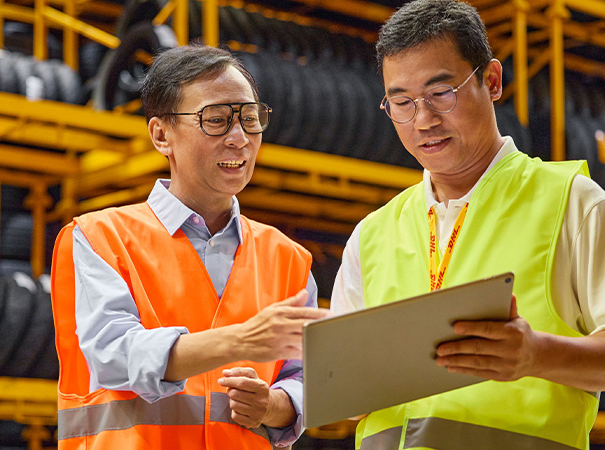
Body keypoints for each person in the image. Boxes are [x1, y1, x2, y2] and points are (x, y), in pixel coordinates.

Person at [331, 0, 605, 448]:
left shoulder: (573, 203)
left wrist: (536, 355)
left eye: (441, 93)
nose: (423, 120)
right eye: (401, 102)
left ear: (491, 81)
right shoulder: (373, 234)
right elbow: (345, 392)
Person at [51, 44, 330, 450]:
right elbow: (114, 354)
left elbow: (306, 377)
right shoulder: (101, 238)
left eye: (250, 120)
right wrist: (240, 341)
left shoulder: (287, 258)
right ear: (161, 134)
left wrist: (272, 404)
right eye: (216, 120)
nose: (239, 139)